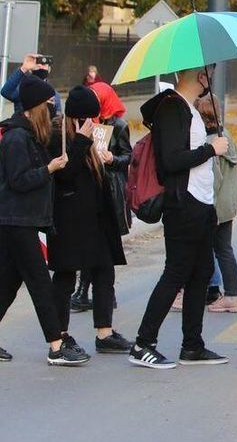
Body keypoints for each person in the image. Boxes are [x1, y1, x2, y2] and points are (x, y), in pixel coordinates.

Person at [130, 66, 230, 370]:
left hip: (201, 203)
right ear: (198, 75)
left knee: (202, 272)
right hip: (182, 203)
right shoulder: (171, 107)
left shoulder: (190, 108)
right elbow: (170, 161)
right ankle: (143, 344)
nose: (211, 78)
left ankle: (192, 345)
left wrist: (208, 146)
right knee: (175, 273)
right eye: (208, 72)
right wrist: (210, 149)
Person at [0, 75, 88, 365]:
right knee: (40, 283)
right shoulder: (15, 137)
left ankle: (56, 343)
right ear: (37, 107)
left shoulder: (30, 136)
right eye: (49, 104)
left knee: (8, 283)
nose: (53, 109)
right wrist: (48, 169)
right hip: (16, 220)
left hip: (23, 219)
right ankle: (56, 346)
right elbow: (18, 180)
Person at [47, 86, 133, 355]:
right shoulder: (56, 136)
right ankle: (60, 334)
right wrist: (82, 140)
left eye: (94, 119)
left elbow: (97, 174)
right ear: (75, 117)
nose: (92, 123)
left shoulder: (94, 132)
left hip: (95, 217)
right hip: (68, 218)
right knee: (65, 275)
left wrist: (106, 157)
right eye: (87, 118)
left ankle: (104, 333)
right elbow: (64, 174)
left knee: (104, 269)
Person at [72, 82, 132, 313]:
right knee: (91, 243)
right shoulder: (87, 124)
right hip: (91, 188)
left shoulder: (119, 125)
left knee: (105, 246)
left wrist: (112, 160)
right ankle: (84, 291)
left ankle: (103, 293)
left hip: (111, 190)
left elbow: (128, 156)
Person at [194, 97, 237, 313]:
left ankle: (221, 294)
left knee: (211, 249)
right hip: (228, 203)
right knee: (224, 249)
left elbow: (213, 178)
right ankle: (231, 294)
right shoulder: (226, 136)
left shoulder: (212, 143)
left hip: (214, 205)